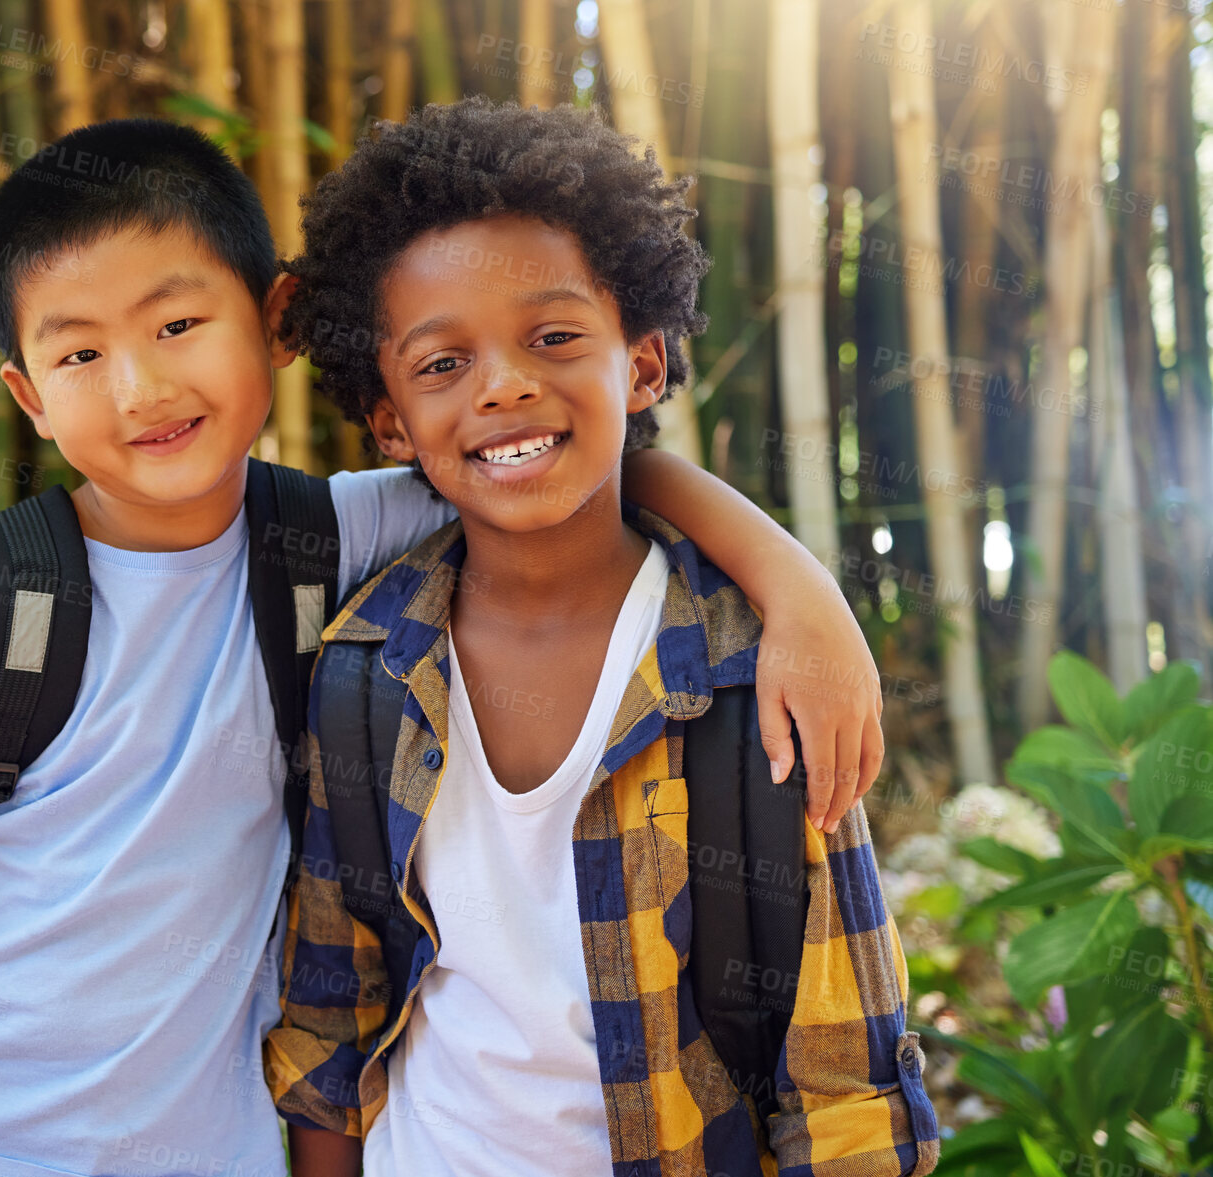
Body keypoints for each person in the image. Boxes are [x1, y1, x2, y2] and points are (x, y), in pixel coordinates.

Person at [0, 115, 889, 1177]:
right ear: (26, 396)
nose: (143, 386)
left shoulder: (330, 538)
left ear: (276, 319)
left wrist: (801, 598)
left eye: (177, 327)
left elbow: (555, 461)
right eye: (80, 353)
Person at [267, 97, 939, 1177]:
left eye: (553, 337)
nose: (505, 383)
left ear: (641, 364)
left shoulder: (752, 676)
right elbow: (328, 1028)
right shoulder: (359, 668)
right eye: (442, 364)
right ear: (388, 418)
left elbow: (846, 1087)